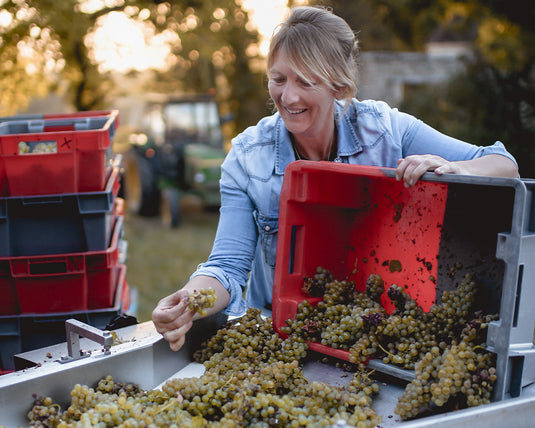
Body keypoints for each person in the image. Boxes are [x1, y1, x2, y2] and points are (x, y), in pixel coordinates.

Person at [152, 5, 518, 351]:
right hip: (284, 337)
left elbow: (503, 164)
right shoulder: (248, 158)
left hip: (378, 336)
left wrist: (460, 169)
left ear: (338, 88)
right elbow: (227, 268)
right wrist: (190, 299)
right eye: (278, 79)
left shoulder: (387, 132)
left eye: (306, 82)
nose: (288, 96)